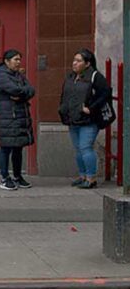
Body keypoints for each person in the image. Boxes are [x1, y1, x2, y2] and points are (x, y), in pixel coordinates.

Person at [58, 48, 112, 189]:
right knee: (78, 149)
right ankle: (82, 176)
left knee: (86, 147)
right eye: (74, 60)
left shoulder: (95, 76)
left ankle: (91, 178)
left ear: (87, 63)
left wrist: (91, 108)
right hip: (73, 118)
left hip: (89, 120)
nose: (74, 63)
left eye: (78, 61)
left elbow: (105, 93)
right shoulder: (71, 76)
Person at [0, 48, 36, 191]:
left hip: (20, 115)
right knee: (6, 147)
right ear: (7, 61)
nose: (18, 62)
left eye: (19, 59)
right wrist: (23, 92)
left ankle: (18, 176)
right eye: (15, 59)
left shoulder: (18, 75)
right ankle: (5, 178)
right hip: (8, 116)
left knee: (18, 147)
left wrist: (22, 95)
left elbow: (31, 90)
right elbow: (13, 90)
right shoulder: (2, 75)